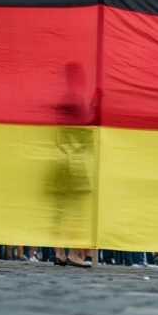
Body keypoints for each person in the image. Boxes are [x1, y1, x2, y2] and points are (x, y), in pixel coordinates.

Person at [52, 62, 97, 269]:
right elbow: (86, 131)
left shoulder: (62, 99)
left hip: (60, 160)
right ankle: (74, 254)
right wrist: (96, 107)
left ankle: (59, 253)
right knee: (77, 208)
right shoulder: (77, 100)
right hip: (75, 161)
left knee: (60, 209)